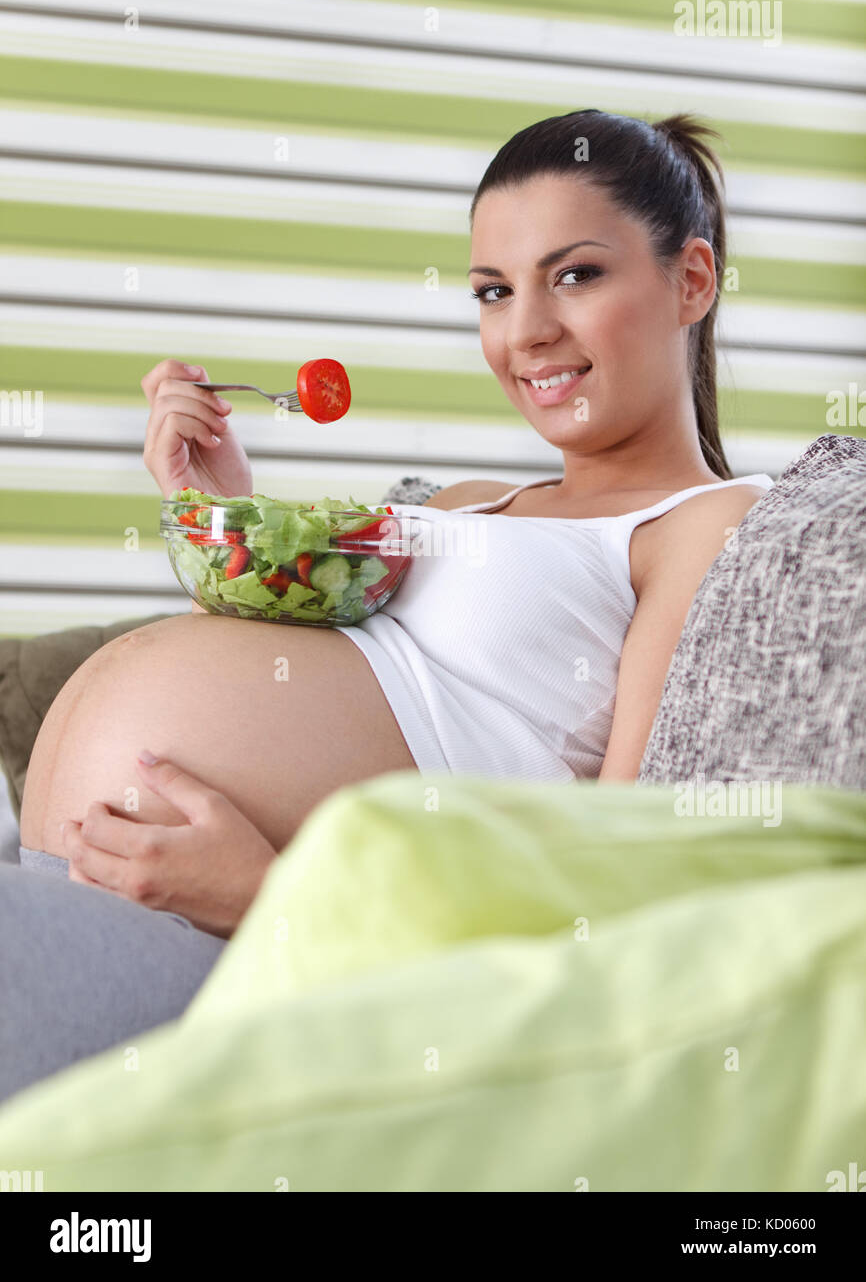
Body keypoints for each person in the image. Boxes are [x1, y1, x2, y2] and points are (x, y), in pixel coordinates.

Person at [3, 108, 773, 1102]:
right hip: (93, 869)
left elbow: (610, 874)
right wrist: (219, 507)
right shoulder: (460, 502)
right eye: (493, 291)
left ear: (692, 280)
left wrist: (271, 896)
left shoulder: (706, 521)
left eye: (575, 275)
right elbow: (328, 676)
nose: (526, 329)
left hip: (254, 942)